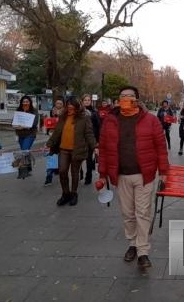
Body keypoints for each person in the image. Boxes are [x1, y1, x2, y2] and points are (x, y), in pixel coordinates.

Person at [97, 86, 169, 269]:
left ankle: (143, 251)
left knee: (142, 213)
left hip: (144, 175)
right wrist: (102, 174)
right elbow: (104, 149)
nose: (126, 99)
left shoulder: (151, 120)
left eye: (130, 96)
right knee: (128, 214)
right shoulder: (110, 121)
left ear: (137, 100)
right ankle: (132, 244)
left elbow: (161, 147)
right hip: (121, 175)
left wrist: (164, 172)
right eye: (122, 96)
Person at [45, 97, 96, 206]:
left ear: (77, 106)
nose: (70, 108)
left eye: (72, 106)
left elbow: (89, 133)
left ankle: (74, 194)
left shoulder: (84, 118)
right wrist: (49, 144)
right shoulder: (63, 117)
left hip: (77, 150)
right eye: (68, 105)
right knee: (62, 171)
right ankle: (65, 193)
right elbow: (56, 133)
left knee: (74, 172)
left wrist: (95, 146)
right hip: (63, 149)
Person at [14, 95, 39, 178]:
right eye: (24, 102)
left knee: (24, 150)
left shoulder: (34, 111)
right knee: (25, 151)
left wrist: (24, 126)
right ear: (21, 103)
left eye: (27, 102)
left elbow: (34, 123)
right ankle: (29, 168)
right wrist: (16, 126)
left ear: (30, 102)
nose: (25, 103)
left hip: (30, 134)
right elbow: (13, 122)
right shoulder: (18, 111)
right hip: (20, 135)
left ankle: (23, 171)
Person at [81, 94, 101, 185]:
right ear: (82, 101)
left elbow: (98, 126)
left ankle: (88, 176)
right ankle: (79, 172)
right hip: (80, 139)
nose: (87, 101)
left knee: (89, 159)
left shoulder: (94, 112)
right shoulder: (78, 112)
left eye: (88, 100)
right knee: (78, 158)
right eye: (85, 100)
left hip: (90, 139)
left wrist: (97, 140)